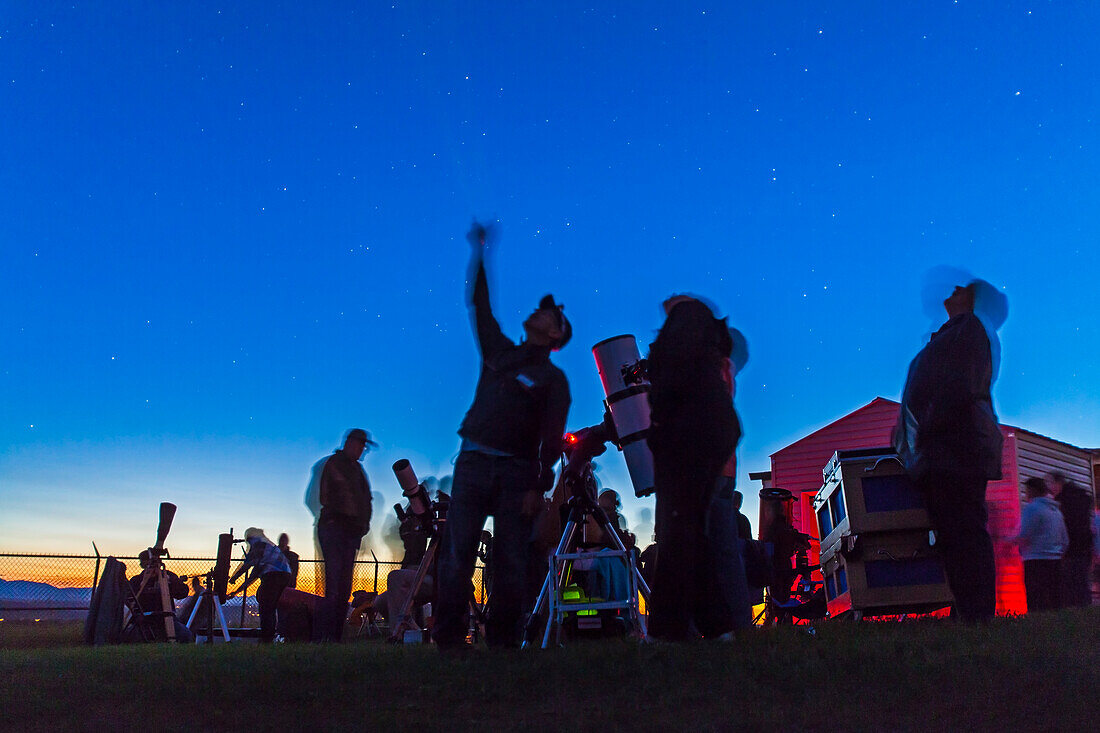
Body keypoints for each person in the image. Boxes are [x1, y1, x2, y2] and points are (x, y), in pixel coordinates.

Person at [433, 220, 571, 652]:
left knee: (510, 561)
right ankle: (450, 642)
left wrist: (536, 484)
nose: (538, 310)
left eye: (548, 313)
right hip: (472, 464)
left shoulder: (552, 379)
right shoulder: (499, 353)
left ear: (555, 334)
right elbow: (480, 305)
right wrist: (480, 253)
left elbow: (551, 440)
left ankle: (504, 643)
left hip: (515, 476)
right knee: (456, 557)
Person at [893, 280, 1006, 622]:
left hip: (956, 450)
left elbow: (956, 387)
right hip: (946, 450)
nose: (955, 287)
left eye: (964, 288)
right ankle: (968, 612)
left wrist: (925, 430)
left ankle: (977, 615)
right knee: (955, 536)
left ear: (974, 301)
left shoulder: (969, 329)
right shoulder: (954, 333)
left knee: (965, 533)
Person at [645, 295, 738, 640]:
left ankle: (665, 632)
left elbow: (668, 390)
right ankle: (718, 627)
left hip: (689, 441)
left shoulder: (687, 321)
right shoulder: (702, 347)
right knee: (689, 531)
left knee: (676, 531)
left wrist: (657, 431)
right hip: (706, 438)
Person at [313, 428, 375, 642]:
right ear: (350, 443)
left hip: (348, 532)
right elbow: (338, 498)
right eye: (360, 445)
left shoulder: (356, 471)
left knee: (343, 585)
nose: (362, 450)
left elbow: (366, 500)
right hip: (334, 528)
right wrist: (355, 521)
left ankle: (335, 636)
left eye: (364, 447)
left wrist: (361, 525)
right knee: (334, 584)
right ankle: (327, 635)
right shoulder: (335, 465)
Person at [1012, 478, 1068, 612]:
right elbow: (1065, 539)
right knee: (1055, 600)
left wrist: (1008, 539)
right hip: (1055, 561)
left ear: (1031, 491)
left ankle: (1037, 629)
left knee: (1036, 600)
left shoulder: (1032, 509)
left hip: (1035, 561)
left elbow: (1024, 534)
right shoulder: (1056, 511)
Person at [229, 528, 293, 642]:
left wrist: (235, 577)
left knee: (265, 605)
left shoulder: (259, 547)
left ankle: (266, 637)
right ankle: (270, 635)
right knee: (270, 606)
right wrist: (236, 591)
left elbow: (248, 567)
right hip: (285, 576)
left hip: (273, 576)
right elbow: (252, 575)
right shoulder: (267, 552)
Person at [1049, 471, 1094, 607]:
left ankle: (1074, 615)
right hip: (1085, 547)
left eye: (1051, 483)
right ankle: (1085, 614)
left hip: (1070, 549)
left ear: (1058, 483)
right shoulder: (1081, 498)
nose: (1051, 489)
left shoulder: (1064, 502)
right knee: (1082, 584)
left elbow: (1065, 527)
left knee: (1070, 587)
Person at [128, 550, 193, 642]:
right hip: (144, 619)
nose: (151, 569)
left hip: (167, 618)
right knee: (135, 637)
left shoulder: (167, 576)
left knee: (185, 635)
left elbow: (182, 593)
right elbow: (129, 598)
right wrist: (142, 585)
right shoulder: (137, 580)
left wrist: (170, 582)